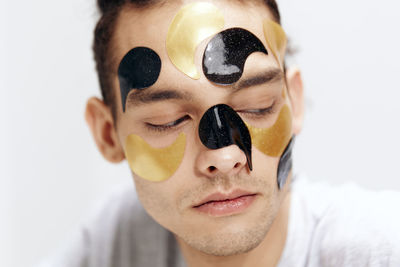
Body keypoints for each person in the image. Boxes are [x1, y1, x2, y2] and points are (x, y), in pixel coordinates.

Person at [38, 0, 400, 266]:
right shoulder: (116, 240)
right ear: (107, 133)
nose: (226, 155)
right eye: (167, 120)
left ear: (295, 100)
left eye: (258, 105)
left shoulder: (378, 249)